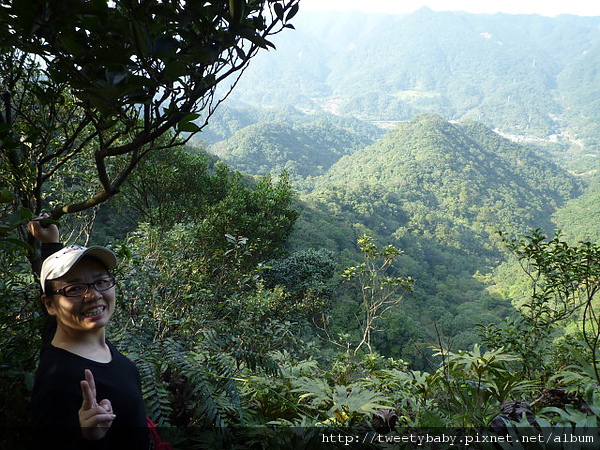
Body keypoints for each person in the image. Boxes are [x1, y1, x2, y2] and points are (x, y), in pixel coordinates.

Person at [27, 218, 154, 450]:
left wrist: (51, 245)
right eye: (74, 289)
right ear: (50, 305)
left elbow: (55, 295)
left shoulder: (66, 332)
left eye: (100, 281)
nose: (93, 295)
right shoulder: (58, 381)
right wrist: (89, 439)